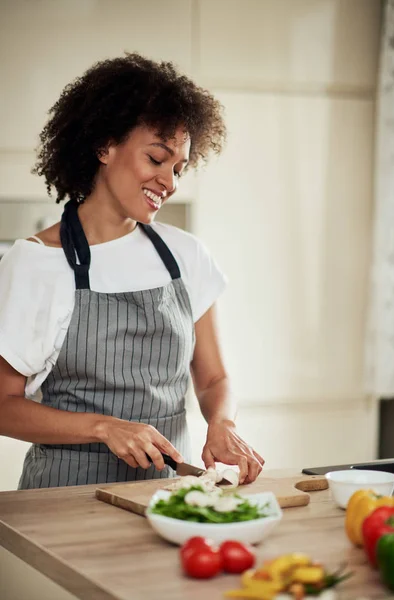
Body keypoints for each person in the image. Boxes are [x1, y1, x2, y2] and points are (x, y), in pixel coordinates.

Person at [0, 53, 264, 489]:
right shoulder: (35, 263)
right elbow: (4, 406)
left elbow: (214, 377)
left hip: (166, 495)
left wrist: (223, 423)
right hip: (64, 500)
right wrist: (104, 427)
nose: (170, 181)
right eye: (157, 159)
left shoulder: (185, 255)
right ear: (105, 146)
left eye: (179, 168)